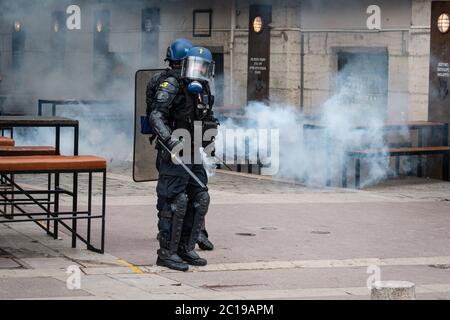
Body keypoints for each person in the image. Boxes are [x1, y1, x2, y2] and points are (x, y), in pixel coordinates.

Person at [148, 44, 218, 271]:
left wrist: (210, 141)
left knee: (201, 197)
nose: (199, 70)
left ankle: (187, 248)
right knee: (176, 201)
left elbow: (206, 117)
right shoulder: (171, 85)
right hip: (174, 153)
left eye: (203, 66)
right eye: (195, 65)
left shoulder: (201, 88)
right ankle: (167, 253)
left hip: (193, 150)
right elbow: (156, 115)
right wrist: (170, 141)